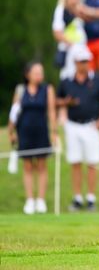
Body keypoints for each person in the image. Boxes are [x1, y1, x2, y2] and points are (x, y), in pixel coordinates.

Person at [57, 45, 99, 211]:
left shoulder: (97, 80)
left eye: (87, 61)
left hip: (91, 125)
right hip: (73, 125)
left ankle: (91, 198)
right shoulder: (66, 81)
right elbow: (57, 101)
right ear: (75, 62)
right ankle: (77, 198)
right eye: (82, 61)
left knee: (93, 162)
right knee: (75, 162)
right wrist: (66, 102)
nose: (85, 64)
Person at [7, 61, 58, 214]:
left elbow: (51, 111)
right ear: (28, 74)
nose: (39, 75)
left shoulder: (47, 89)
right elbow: (14, 112)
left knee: (42, 165)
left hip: (41, 132)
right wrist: (11, 131)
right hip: (25, 132)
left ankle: (40, 200)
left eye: (41, 72)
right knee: (28, 166)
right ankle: (30, 200)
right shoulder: (21, 90)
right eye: (36, 72)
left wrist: (54, 132)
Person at [52, 0, 87, 80]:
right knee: (69, 74)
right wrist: (71, 45)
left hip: (81, 48)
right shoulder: (61, 10)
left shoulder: (79, 11)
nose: (76, 0)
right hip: (70, 48)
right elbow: (57, 31)